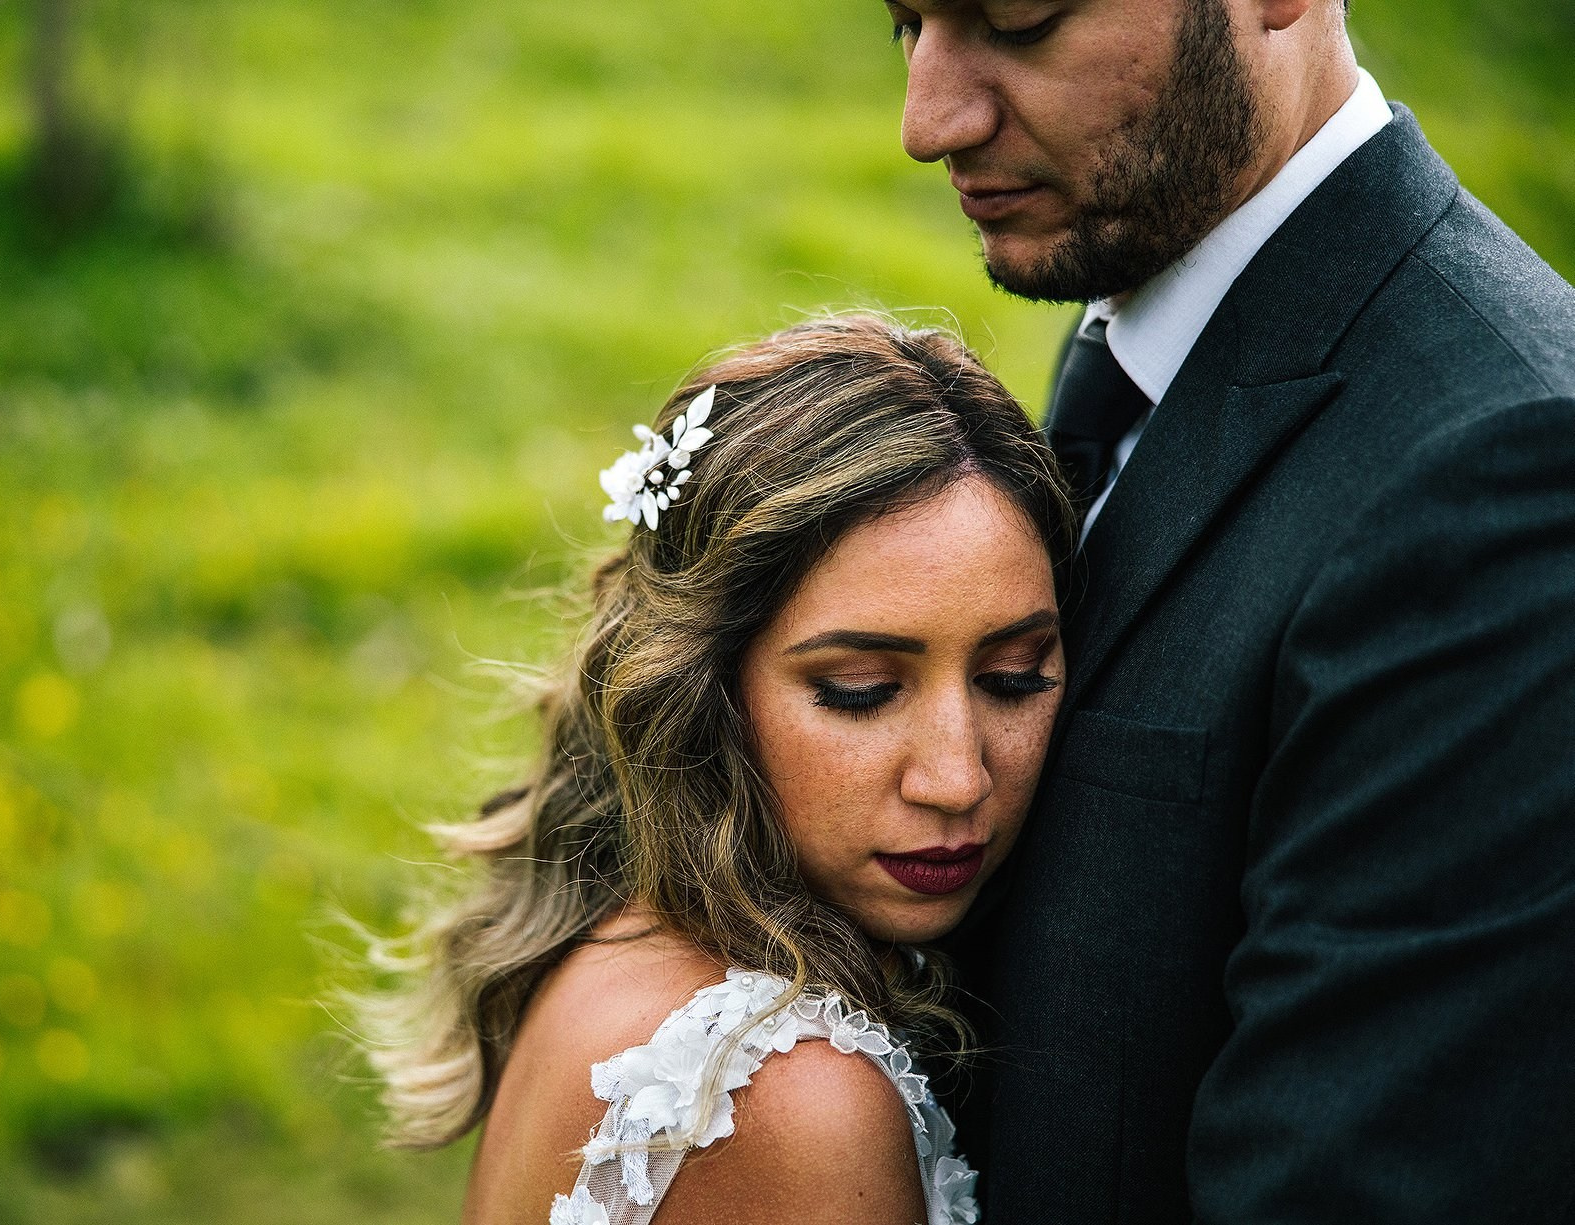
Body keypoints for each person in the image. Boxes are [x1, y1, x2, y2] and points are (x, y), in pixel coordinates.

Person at [886, 0, 1575, 1220]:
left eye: (1019, 20)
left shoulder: (1499, 479)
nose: (928, 120)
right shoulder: (1144, 321)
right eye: (904, 22)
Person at [355, 313, 1077, 1224]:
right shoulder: (784, 1090)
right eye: (860, 690)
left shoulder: (604, 942)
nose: (957, 777)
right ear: (701, 692)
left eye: (1014, 678)